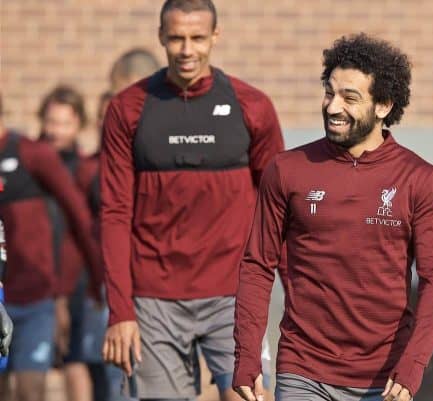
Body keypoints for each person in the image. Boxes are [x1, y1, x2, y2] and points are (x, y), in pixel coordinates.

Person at [233, 33, 433, 401]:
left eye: (350, 98)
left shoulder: (420, 179)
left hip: (384, 380)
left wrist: (412, 366)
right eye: (329, 92)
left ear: (383, 105)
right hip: (302, 369)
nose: (333, 107)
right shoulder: (286, 170)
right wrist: (247, 355)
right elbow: (257, 264)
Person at [100, 1, 284, 400]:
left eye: (198, 37)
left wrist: (294, 290)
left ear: (215, 36)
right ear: (161, 37)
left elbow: (278, 210)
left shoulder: (253, 107)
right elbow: (114, 214)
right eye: (177, 38)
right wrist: (120, 311)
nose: (187, 49)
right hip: (153, 300)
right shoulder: (126, 110)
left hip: (234, 293)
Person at [0, 92, 103, 401]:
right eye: (51, 121)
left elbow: (79, 218)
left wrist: (98, 281)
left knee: (31, 390)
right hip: (2, 296)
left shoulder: (32, 155)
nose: (56, 129)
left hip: (35, 298)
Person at [37, 85, 110, 401]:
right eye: (50, 122)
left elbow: (83, 230)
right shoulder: (29, 165)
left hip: (75, 280)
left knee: (79, 359)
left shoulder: (82, 170)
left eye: (64, 124)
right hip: (32, 275)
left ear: (78, 125)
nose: (55, 131)